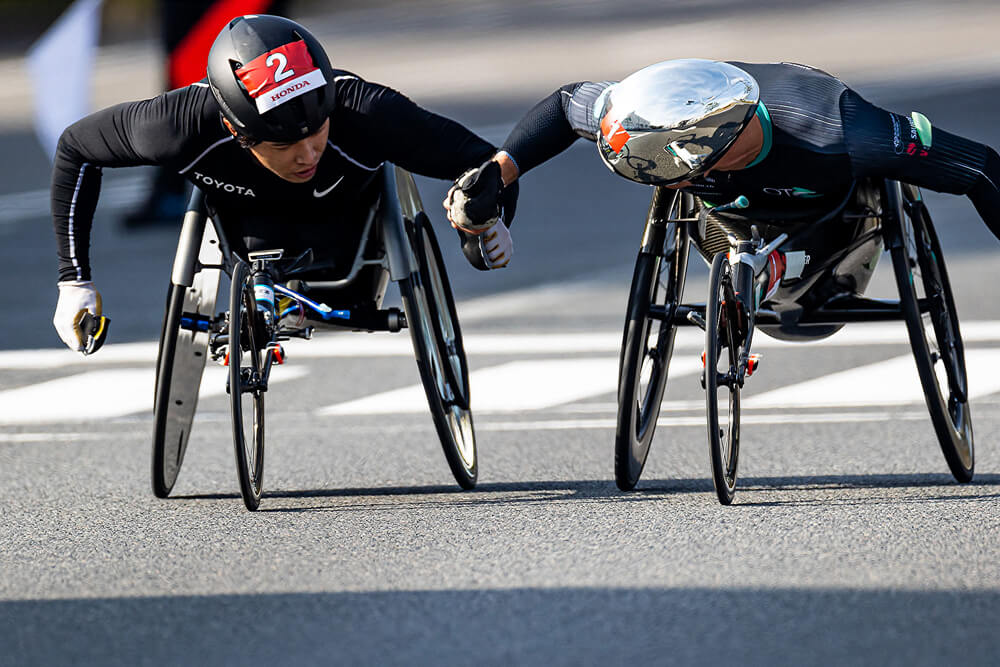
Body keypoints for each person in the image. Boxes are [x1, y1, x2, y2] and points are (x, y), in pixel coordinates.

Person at [52, 14, 517, 353]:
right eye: (284, 143)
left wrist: (483, 223)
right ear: (236, 130)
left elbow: (490, 163)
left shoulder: (365, 111)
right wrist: (73, 281)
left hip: (348, 238)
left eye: (317, 130)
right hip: (245, 230)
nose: (308, 153)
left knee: (345, 270)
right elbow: (77, 147)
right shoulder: (177, 126)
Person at [444, 59, 1000, 262]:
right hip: (727, 225)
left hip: (833, 224)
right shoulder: (648, 114)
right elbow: (569, 104)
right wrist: (496, 175)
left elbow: (981, 169)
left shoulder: (845, 130)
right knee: (703, 212)